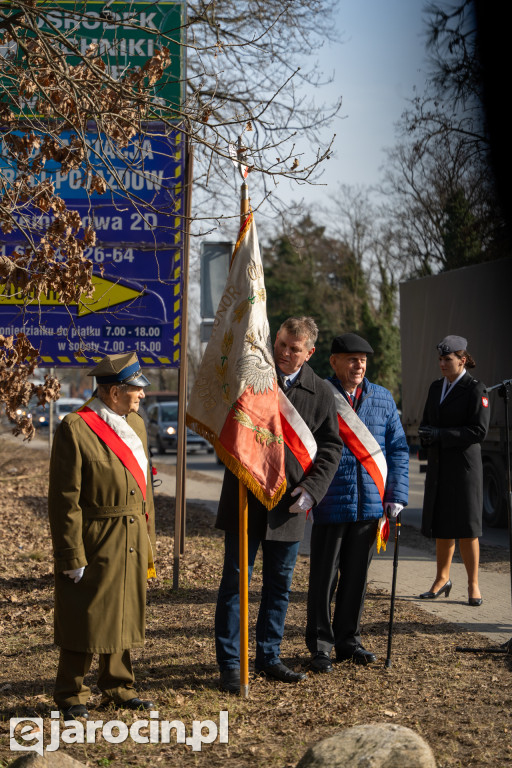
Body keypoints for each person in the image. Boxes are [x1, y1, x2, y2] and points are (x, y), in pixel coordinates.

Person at [215, 316, 343, 692]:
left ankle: (269, 657)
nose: (285, 353)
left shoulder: (320, 392)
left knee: (279, 587)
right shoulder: (253, 377)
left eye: (294, 349)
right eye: (282, 345)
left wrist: (312, 490)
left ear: (310, 352)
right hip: (244, 497)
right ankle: (231, 663)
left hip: (289, 505)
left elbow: (332, 447)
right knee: (236, 584)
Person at [48, 352, 156, 721]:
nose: (142, 394)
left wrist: (149, 542)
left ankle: (119, 686)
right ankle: (70, 693)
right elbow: (64, 499)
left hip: (131, 535)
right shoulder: (76, 428)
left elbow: (145, 493)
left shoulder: (136, 425)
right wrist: (70, 553)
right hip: (95, 537)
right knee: (85, 614)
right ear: (113, 392)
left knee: (124, 612)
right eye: (135, 389)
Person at [306, 332, 409, 672]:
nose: (359, 365)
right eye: (351, 359)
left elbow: (397, 450)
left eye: (363, 360)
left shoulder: (382, 397)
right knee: (324, 579)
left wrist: (396, 496)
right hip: (331, 502)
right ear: (333, 362)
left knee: (357, 579)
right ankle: (321, 644)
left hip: (369, 507)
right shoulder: (321, 394)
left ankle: (349, 641)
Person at [418, 335, 490, 606]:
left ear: (462, 360)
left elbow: (478, 431)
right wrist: (426, 435)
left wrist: (441, 434)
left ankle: (473, 585)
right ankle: (441, 579)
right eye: (440, 359)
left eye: (447, 359)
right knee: (443, 526)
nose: (442, 364)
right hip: (440, 465)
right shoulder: (437, 387)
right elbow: (427, 419)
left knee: (467, 528)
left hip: (464, 468)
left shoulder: (475, 389)